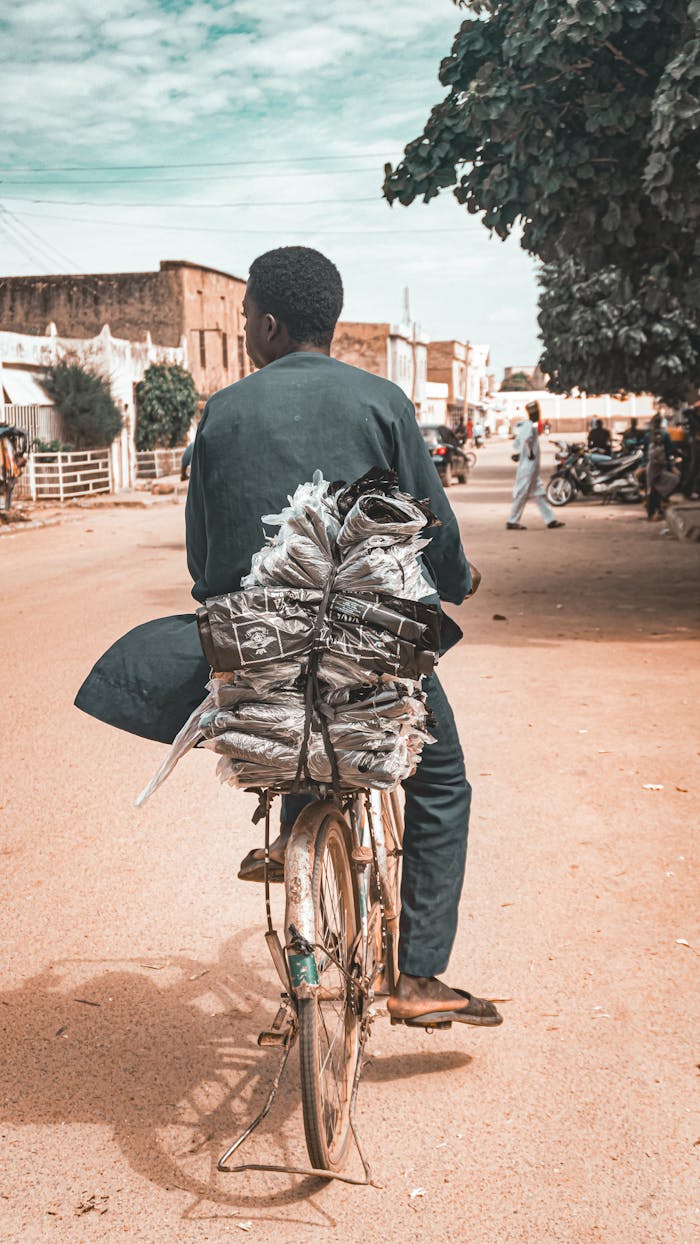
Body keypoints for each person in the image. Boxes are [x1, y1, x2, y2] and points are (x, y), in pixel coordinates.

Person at [76, 245, 501, 1031]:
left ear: (267, 325)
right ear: (327, 324)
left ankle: (289, 833)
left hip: (259, 643)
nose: (244, 333)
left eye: (244, 321)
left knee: (278, 679)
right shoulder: (383, 401)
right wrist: (454, 579)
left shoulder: (224, 410)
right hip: (371, 643)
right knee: (439, 781)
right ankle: (418, 976)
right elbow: (430, 529)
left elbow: (206, 564)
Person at [506, 401, 564, 531]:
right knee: (521, 492)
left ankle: (550, 520)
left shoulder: (529, 425)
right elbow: (525, 440)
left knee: (538, 494)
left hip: (532, 467)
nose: (538, 415)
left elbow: (517, 442)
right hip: (528, 466)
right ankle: (512, 520)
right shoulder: (528, 426)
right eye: (537, 413)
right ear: (533, 414)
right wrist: (528, 454)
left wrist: (519, 453)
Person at [646, 430, 679, 520]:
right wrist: (664, 463)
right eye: (657, 437)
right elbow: (653, 459)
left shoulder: (662, 446)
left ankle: (659, 509)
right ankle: (651, 513)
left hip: (660, 471)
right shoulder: (652, 447)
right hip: (654, 471)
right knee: (653, 492)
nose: (659, 438)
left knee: (667, 484)